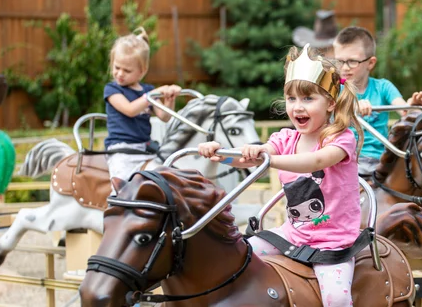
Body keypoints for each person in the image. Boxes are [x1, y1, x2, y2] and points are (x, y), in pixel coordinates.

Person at [199, 44, 363, 306]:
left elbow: (317, 160)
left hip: (333, 240)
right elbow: (248, 158)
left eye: (308, 99)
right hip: (294, 234)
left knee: (336, 298)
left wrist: (269, 160)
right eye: (292, 99)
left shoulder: (340, 139)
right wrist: (220, 154)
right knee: (238, 255)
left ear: (330, 102)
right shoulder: (284, 138)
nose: (298, 107)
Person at [333, 26, 422, 178]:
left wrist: (412, 106)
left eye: (352, 61)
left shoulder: (383, 87)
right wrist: (352, 106)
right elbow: (325, 112)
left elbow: (404, 111)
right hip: (345, 158)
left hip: (380, 160)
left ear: (370, 63)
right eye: (339, 61)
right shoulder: (333, 90)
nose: (345, 68)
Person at [104, 27, 181, 181]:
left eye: (126, 70)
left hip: (145, 148)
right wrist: (150, 96)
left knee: (166, 173)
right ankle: (118, 202)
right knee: (122, 180)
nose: (119, 73)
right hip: (121, 149)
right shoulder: (112, 89)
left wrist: (169, 99)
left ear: (142, 71)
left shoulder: (147, 90)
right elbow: (130, 110)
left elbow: (164, 116)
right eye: (117, 67)